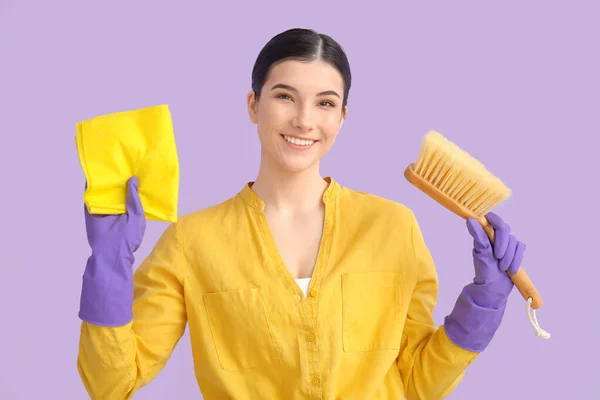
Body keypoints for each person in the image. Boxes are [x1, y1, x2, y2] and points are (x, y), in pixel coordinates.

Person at [76, 28, 526, 400]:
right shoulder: (192, 242)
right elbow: (112, 383)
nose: (304, 120)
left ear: (343, 116)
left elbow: (415, 382)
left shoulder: (393, 226)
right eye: (285, 97)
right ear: (253, 105)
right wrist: (108, 269)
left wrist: (481, 305)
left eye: (326, 103)